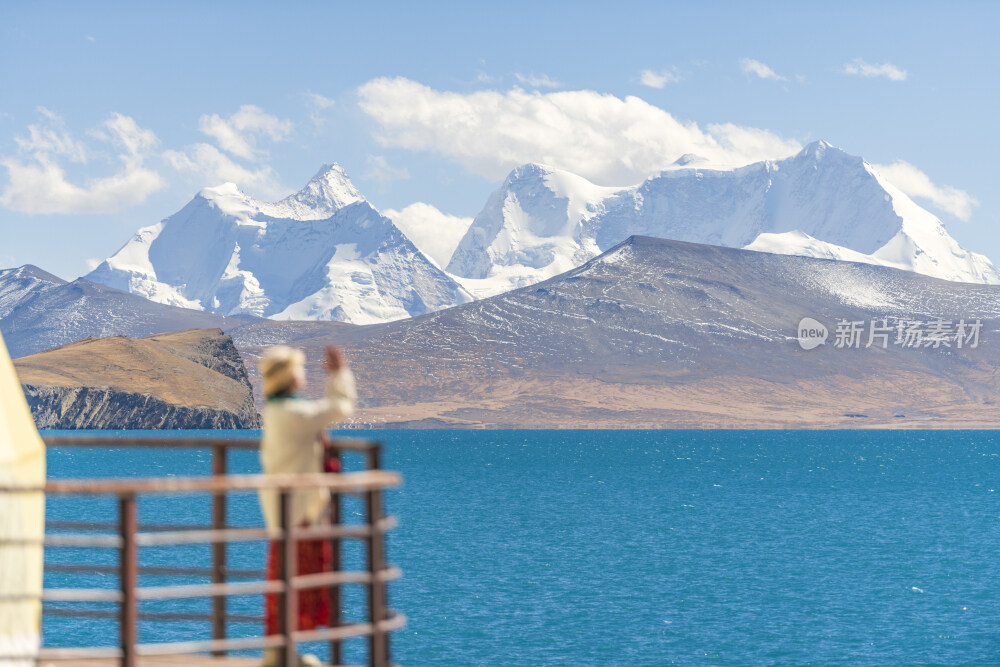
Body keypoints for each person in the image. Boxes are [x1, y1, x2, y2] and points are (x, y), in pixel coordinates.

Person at [258, 344, 356, 667]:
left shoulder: (278, 411)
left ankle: (281, 650)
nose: (303, 373)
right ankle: (284, 651)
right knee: (299, 576)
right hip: (299, 510)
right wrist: (338, 373)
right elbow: (340, 407)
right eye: (299, 368)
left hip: (286, 507)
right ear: (289, 375)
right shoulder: (294, 413)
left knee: (286, 577)